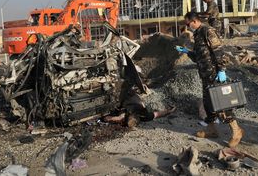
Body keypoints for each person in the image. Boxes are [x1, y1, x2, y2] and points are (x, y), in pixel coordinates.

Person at [175, 12, 244, 148]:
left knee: (222, 103)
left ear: (194, 21)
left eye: (188, 24)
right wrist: (187, 52)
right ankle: (212, 129)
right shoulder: (197, 34)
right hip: (205, 74)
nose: (187, 27)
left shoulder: (208, 31)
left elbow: (219, 51)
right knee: (208, 103)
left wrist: (222, 70)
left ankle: (236, 131)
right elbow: (200, 56)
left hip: (215, 73)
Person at [104, 85, 176, 128]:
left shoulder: (145, 116)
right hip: (130, 97)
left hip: (135, 98)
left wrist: (169, 111)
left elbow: (157, 114)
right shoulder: (130, 113)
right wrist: (108, 118)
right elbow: (115, 118)